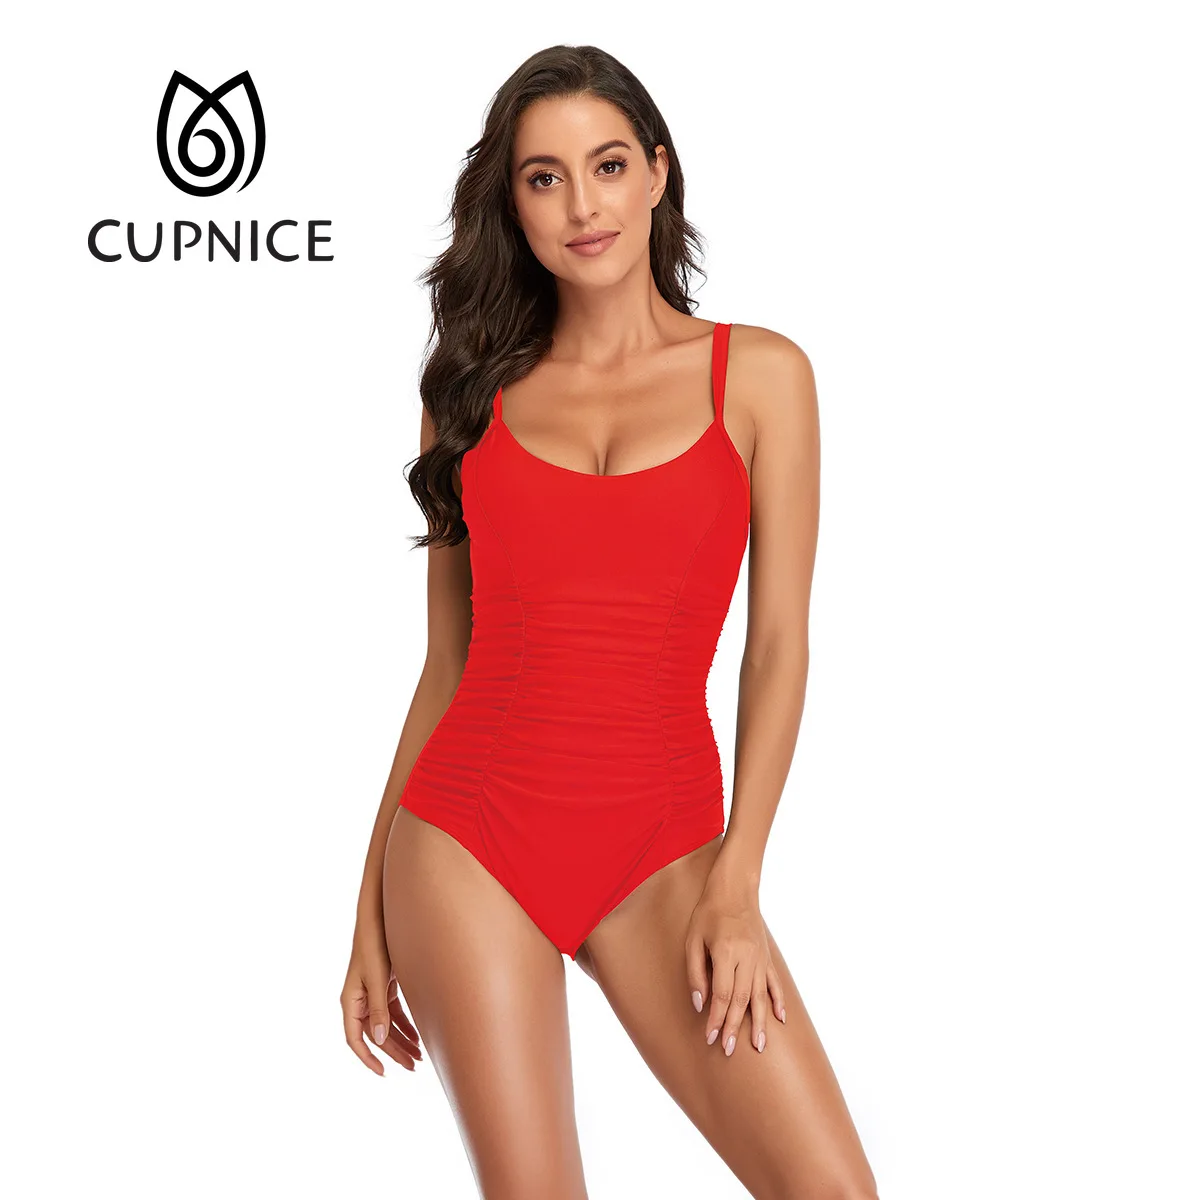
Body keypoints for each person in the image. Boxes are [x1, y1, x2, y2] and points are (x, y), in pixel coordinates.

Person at [340, 44, 878, 1200]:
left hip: (665, 846)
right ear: (512, 202)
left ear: (658, 173)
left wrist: (738, 882)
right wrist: (365, 910)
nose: (583, 206)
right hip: (468, 841)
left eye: (609, 165)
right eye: (544, 178)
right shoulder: (466, 394)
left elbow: (777, 646)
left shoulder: (761, 377)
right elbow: (446, 665)